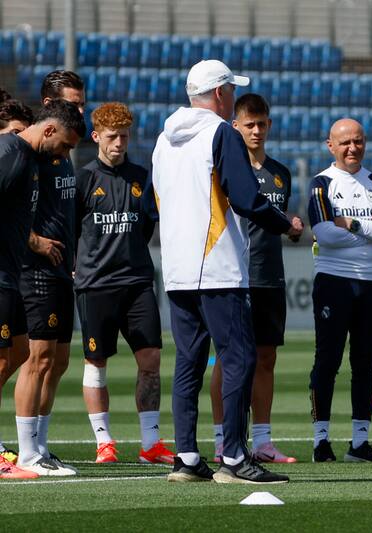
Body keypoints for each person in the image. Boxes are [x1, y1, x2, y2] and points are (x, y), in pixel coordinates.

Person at [153, 60, 302, 483]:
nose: (233, 97)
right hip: (216, 264)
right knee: (240, 357)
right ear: (219, 94)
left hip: (177, 266)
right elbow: (247, 199)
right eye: (231, 90)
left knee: (189, 362)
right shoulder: (221, 133)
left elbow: (155, 202)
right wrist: (285, 223)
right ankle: (234, 459)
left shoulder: (163, 139)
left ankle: (186, 457)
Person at [74, 102, 175, 464]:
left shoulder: (141, 176)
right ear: (96, 136)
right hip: (96, 284)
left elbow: (147, 225)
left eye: (125, 136)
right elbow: (72, 231)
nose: (119, 143)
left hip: (136, 282)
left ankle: (151, 443)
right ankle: (104, 442)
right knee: (95, 362)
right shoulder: (83, 179)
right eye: (112, 136)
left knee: (150, 359)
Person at [209, 93, 303, 464]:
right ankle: (222, 440)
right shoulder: (226, 169)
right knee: (226, 360)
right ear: (235, 126)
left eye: (262, 124)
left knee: (266, 359)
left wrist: (292, 228)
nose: (256, 131)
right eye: (249, 124)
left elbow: (276, 222)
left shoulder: (281, 173)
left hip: (269, 278)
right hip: (232, 276)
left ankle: (262, 440)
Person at [307, 118, 372, 464]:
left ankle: (359, 444)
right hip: (334, 280)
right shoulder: (322, 184)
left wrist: (355, 224)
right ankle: (321, 441)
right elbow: (325, 234)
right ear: (330, 145)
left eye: (358, 141)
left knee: (365, 362)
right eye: (344, 142)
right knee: (327, 360)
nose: (352, 148)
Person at [2, 100, 85, 477]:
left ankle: (34, 451)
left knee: (20, 354)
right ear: (49, 130)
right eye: (66, 145)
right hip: (10, 274)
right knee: (29, 358)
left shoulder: (30, 159)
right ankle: (27, 454)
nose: (66, 154)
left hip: (12, 272)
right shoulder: (14, 154)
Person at [0, 97, 34, 465]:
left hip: (13, 271)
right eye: (13, 133)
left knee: (21, 352)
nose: (19, 141)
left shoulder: (23, 164)